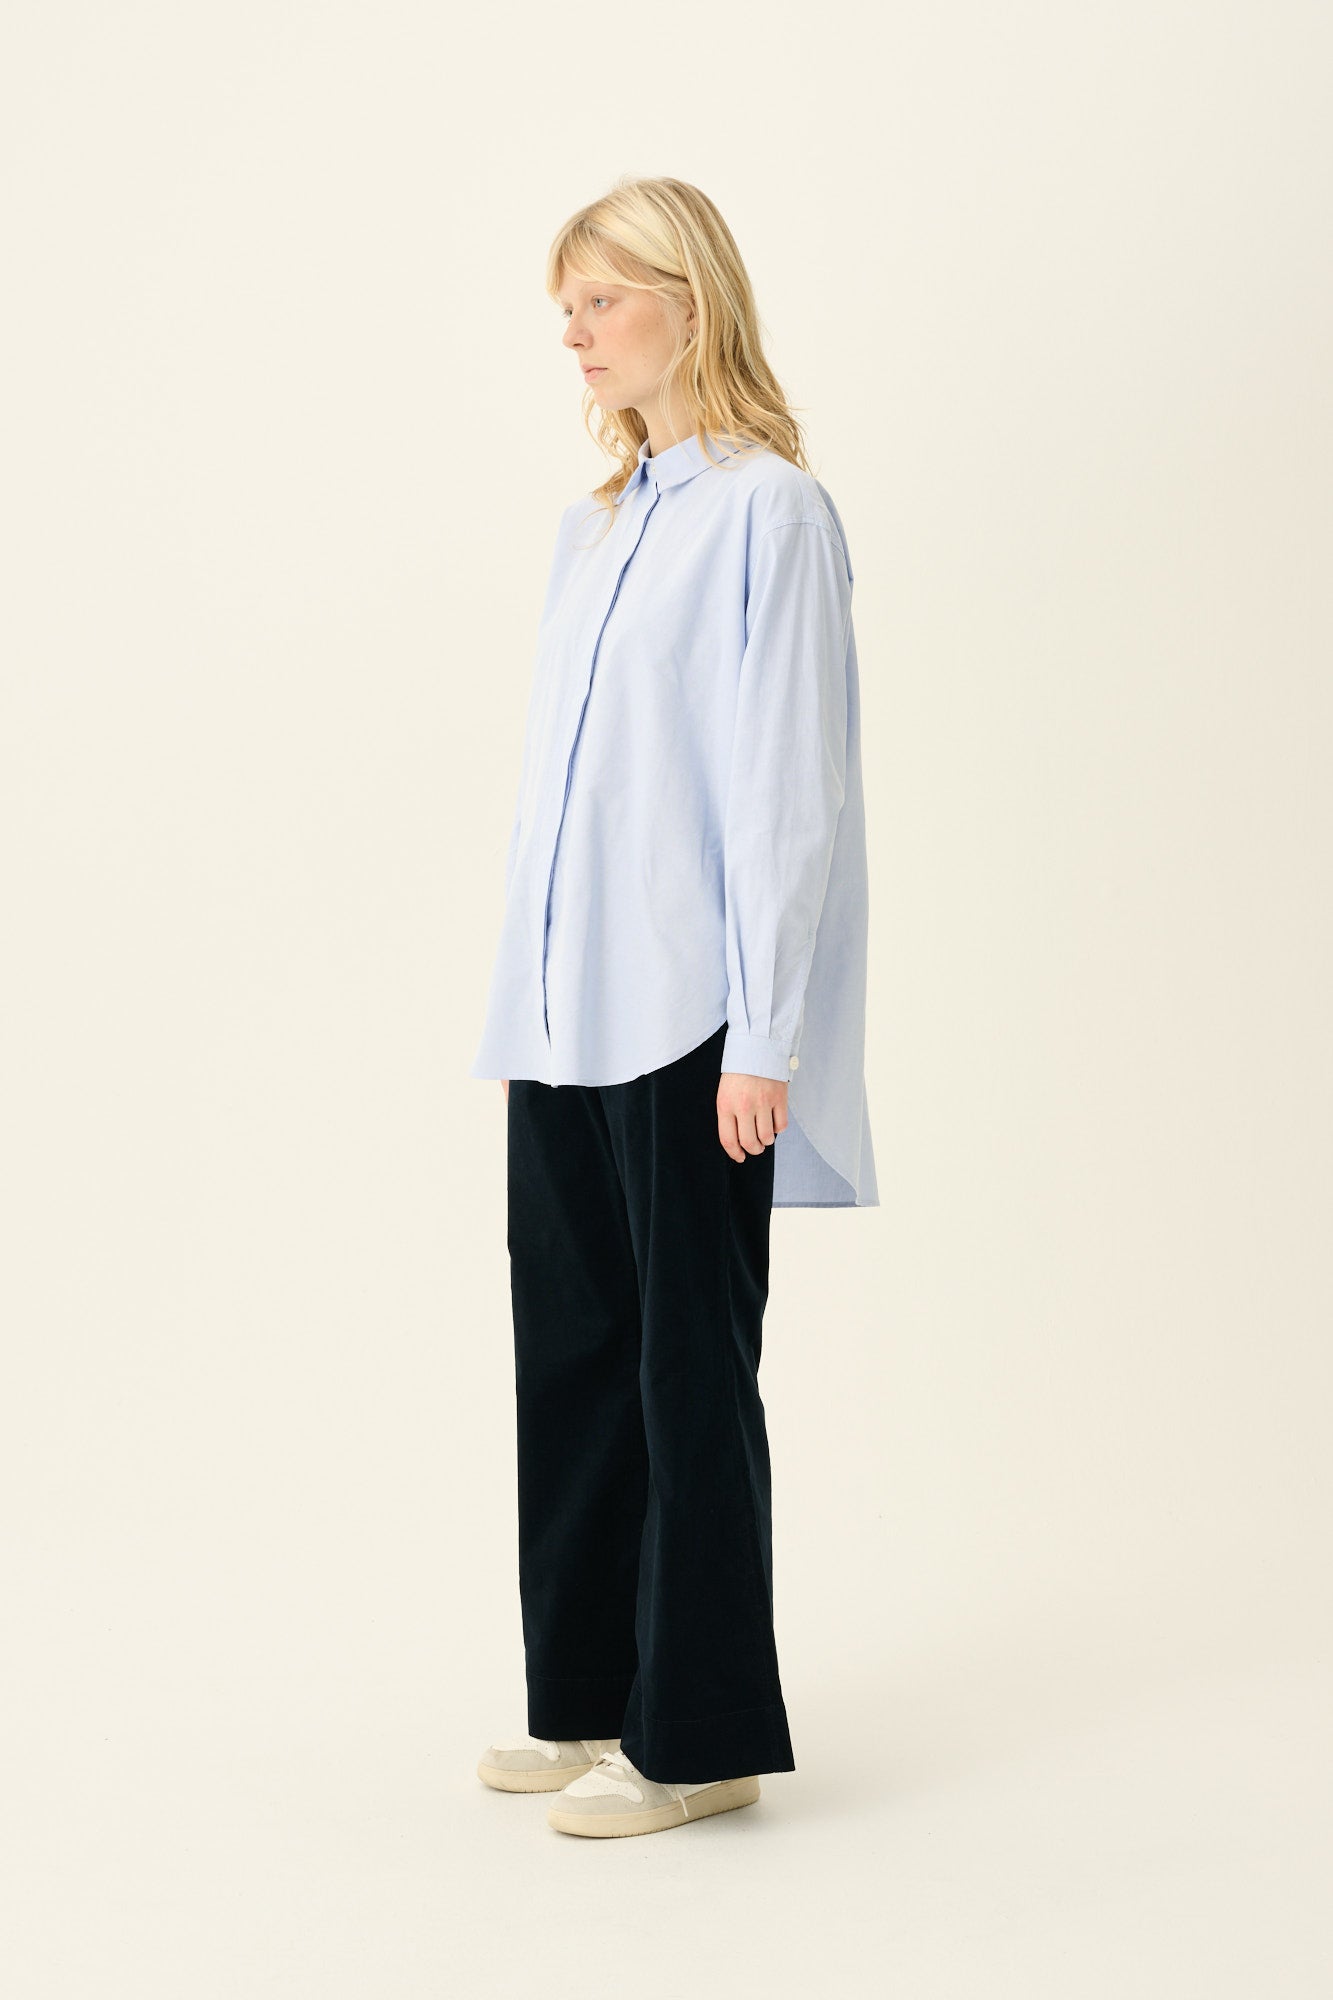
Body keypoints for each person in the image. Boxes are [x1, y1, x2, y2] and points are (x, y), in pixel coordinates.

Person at [469, 176, 878, 1840]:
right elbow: (560, 801)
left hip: (694, 1017)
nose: (572, 332)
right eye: (563, 306)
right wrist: (520, 1009)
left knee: (685, 1374)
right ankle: (588, 1698)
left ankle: (699, 1740)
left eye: (601, 299)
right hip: (565, 1018)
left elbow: (786, 792)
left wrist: (765, 1035)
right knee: (570, 1353)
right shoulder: (596, 528)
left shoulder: (770, 514)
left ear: (687, 304)